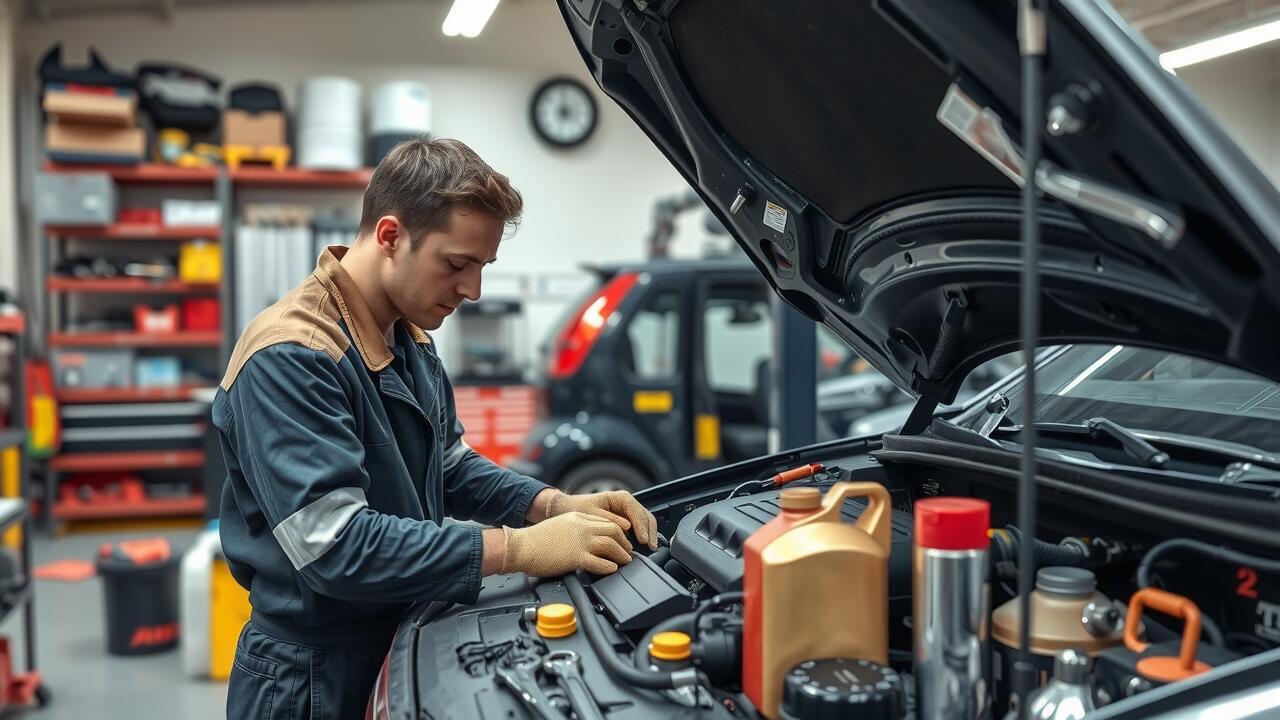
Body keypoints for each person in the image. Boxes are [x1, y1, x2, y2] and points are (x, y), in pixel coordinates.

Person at [214, 137, 658, 719]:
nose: (472, 291)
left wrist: (552, 505)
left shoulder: (408, 336)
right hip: (313, 678)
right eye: (456, 264)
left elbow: (446, 466)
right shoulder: (293, 354)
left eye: (481, 267)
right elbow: (336, 548)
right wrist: (518, 549)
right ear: (390, 236)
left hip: (396, 637)